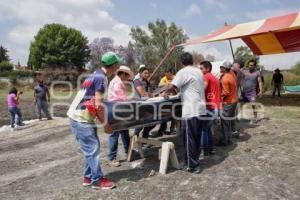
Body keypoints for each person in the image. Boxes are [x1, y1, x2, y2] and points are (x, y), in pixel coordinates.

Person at [67, 51, 122, 190]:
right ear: (114, 65)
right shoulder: (101, 78)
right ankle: (97, 180)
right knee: (93, 150)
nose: (119, 67)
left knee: (91, 148)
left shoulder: (95, 74)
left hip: (79, 117)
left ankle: (88, 177)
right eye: (118, 64)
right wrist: (106, 124)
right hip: (81, 118)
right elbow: (98, 104)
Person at [166, 52, 206, 173]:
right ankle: (194, 160)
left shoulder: (183, 72)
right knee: (196, 137)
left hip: (191, 110)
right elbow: (188, 87)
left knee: (189, 138)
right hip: (200, 108)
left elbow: (171, 86)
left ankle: (191, 165)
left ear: (181, 62)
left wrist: (165, 90)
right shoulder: (198, 71)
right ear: (192, 61)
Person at [107, 66, 134, 167]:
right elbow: (120, 98)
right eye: (127, 76)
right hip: (116, 109)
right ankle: (112, 158)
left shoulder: (116, 81)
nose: (127, 79)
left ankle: (128, 151)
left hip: (117, 108)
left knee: (124, 131)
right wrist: (129, 101)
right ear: (123, 74)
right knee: (115, 134)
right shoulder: (118, 82)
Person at [199, 61, 221, 156]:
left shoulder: (206, 76)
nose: (200, 70)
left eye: (201, 68)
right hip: (216, 108)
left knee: (204, 129)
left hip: (211, 108)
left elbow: (202, 88)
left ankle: (205, 151)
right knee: (207, 129)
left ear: (207, 68)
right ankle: (211, 149)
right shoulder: (214, 78)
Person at [133, 67, 155, 139]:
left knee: (152, 122)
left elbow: (151, 93)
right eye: (145, 73)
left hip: (147, 104)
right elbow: (142, 93)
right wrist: (150, 94)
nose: (147, 75)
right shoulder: (137, 81)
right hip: (139, 105)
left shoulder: (147, 82)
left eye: (148, 73)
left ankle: (144, 138)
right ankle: (134, 138)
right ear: (140, 73)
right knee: (141, 124)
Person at [220, 61, 238, 146]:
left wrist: (220, 98)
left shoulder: (225, 78)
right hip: (234, 100)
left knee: (225, 121)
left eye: (221, 67)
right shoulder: (232, 75)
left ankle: (225, 141)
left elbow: (226, 93)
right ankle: (229, 139)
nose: (220, 68)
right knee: (229, 121)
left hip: (228, 102)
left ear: (224, 68)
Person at [241, 59, 263, 123]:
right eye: (249, 65)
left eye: (252, 65)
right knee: (239, 103)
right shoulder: (244, 72)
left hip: (252, 92)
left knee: (253, 104)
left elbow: (260, 82)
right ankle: (237, 117)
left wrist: (261, 91)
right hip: (244, 92)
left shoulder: (257, 73)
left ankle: (255, 118)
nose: (250, 66)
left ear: (254, 66)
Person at [156, 67, 176, 136]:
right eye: (166, 74)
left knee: (175, 115)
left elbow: (177, 86)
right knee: (164, 115)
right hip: (166, 100)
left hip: (174, 99)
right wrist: (166, 86)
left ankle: (172, 130)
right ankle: (161, 130)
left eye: (168, 74)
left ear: (171, 73)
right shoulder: (163, 79)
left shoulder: (175, 77)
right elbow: (160, 87)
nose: (167, 76)